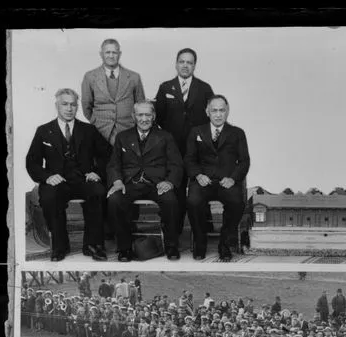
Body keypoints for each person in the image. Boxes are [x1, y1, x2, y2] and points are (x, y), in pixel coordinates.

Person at [26, 88, 109, 261]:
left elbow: (108, 155)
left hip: (83, 179)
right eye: (65, 104)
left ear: (77, 107)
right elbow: (32, 162)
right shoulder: (43, 131)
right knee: (49, 197)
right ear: (57, 105)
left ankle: (93, 245)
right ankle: (60, 245)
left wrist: (96, 172)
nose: (69, 108)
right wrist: (47, 176)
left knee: (99, 192)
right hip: (57, 181)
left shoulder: (88, 130)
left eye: (73, 104)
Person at [106, 101, 184, 261]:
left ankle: (171, 246)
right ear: (133, 117)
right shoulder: (122, 137)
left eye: (148, 114)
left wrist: (169, 182)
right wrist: (117, 182)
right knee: (114, 200)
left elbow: (176, 164)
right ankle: (125, 249)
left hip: (157, 184)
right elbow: (114, 164)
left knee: (170, 200)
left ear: (153, 116)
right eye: (140, 115)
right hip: (130, 184)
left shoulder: (165, 137)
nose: (144, 118)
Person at [153, 48, 216, 244]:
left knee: (200, 185)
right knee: (177, 187)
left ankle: (205, 227)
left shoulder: (205, 88)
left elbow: (211, 117)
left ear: (194, 65)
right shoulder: (165, 87)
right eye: (182, 61)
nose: (185, 65)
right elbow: (159, 116)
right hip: (174, 146)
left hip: (198, 147)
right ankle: (176, 227)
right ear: (176, 64)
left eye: (189, 62)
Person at [184, 94, 250, 261]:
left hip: (226, 182)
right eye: (214, 110)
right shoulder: (196, 132)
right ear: (207, 112)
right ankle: (200, 242)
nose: (218, 114)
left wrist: (233, 179)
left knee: (237, 203)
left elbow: (244, 161)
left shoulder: (237, 133)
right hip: (203, 181)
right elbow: (189, 159)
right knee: (193, 201)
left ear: (227, 112)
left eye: (222, 110)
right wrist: (198, 175)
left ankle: (225, 243)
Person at [80, 38, 146, 148]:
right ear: (101, 54)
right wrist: (96, 122)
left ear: (119, 54)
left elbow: (141, 105)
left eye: (114, 52)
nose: (111, 56)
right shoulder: (90, 77)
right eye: (107, 52)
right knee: (102, 164)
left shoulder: (134, 77)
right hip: (100, 132)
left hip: (128, 132)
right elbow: (86, 106)